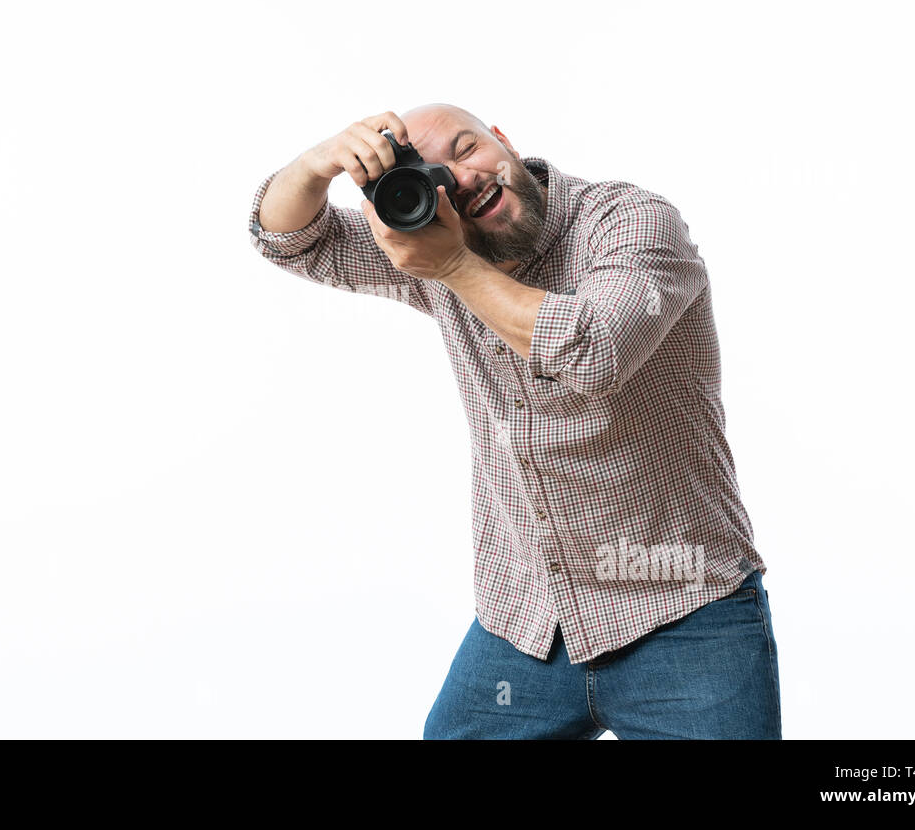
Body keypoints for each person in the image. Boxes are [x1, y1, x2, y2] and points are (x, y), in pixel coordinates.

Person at [246, 105, 781, 739]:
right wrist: (317, 162)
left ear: (503, 140)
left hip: (683, 609)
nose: (462, 179)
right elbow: (288, 238)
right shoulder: (440, 242)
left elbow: (594, 349)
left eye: (468, 148)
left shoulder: (631, 221)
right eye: (435, 173)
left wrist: (451, 267)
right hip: (530, 618)